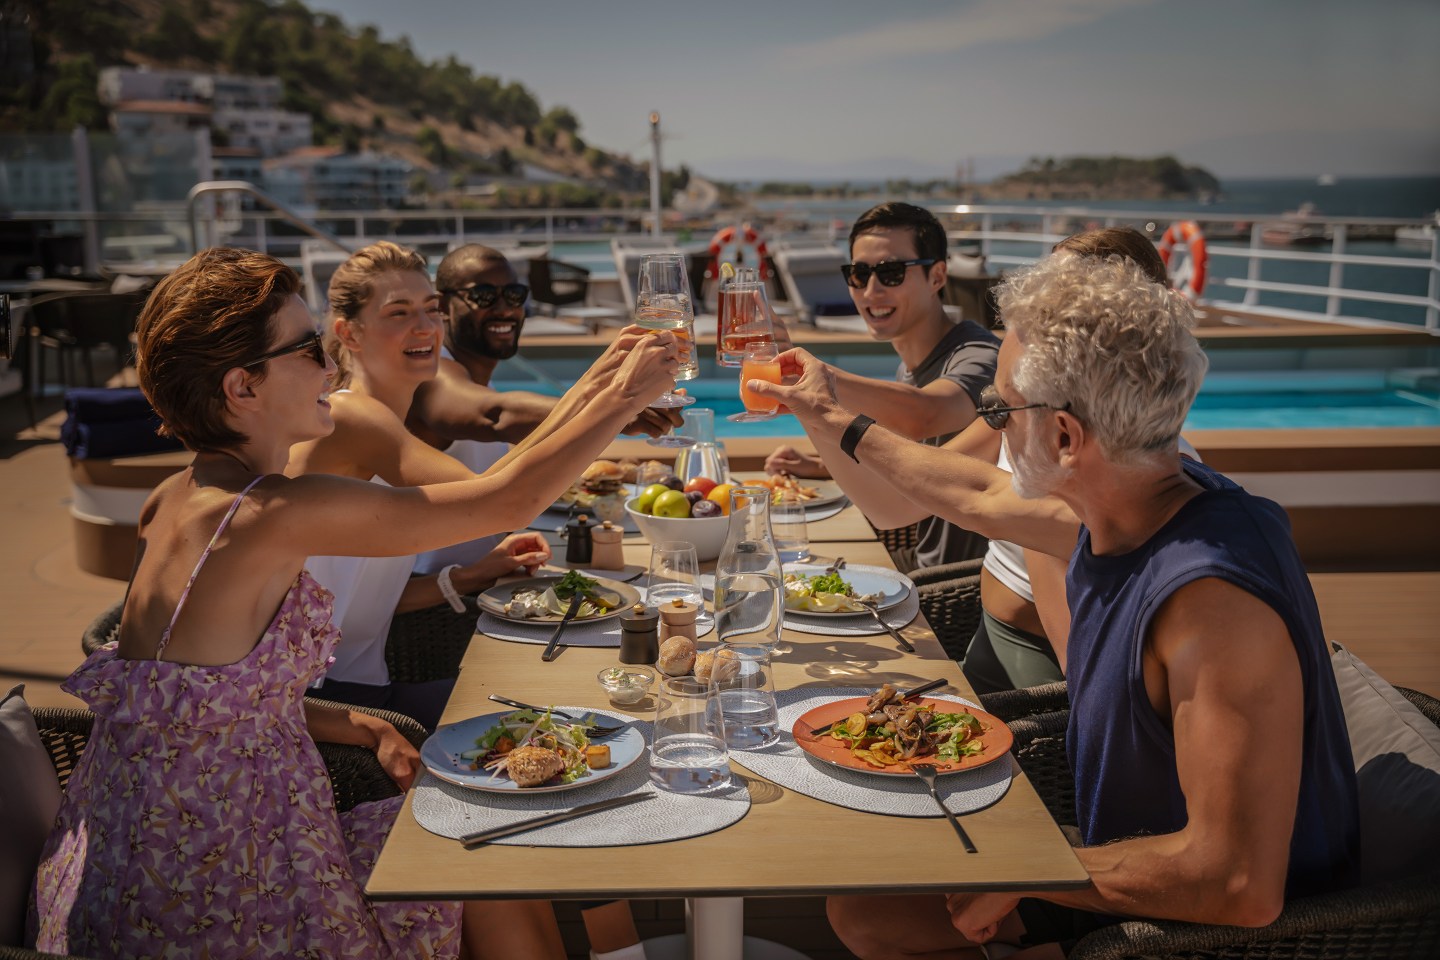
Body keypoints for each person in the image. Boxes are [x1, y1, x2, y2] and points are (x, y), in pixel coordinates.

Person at [30, 247, 678, 959]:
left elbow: (195, 699)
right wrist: (620, 396)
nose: (330, 366)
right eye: (308, 348)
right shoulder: (269, 513)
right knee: (486, 840)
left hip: (143, 841)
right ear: (244, 385)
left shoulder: (176, 500)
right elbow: (510, 499)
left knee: (486, 838)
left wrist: (360, 723)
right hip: (219, 872)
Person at [749, 253, 1360, 958]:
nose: (991, 431)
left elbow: (1237, 882)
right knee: (869, 906)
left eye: (999, 409)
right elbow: (973, 493)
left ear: (1066, 437)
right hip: (1127, 856)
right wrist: (833, 417)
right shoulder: (1130, 501)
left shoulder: (1209, 605)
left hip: (1208, 931)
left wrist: (1034, 874)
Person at [815, 226, 1177, 694]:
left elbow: (1086, 678)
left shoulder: (1102, 463)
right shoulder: (1017, 408)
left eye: (1058, 299)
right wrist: (816, 413)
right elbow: (897, 505)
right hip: (982, 633)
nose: (1032, 311)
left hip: (1036, 671)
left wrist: (826, 403)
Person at [287, 241, 554, 730]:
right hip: (324, 710)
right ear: (348, 333)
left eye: (431, 310)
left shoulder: (384, 423)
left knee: (544, 700)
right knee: (545, 716)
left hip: (368, 691)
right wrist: (617, 393)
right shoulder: (350, 419)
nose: (425, 328)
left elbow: (361, 604)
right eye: (400, 313)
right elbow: (507, 502)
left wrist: (471, 574)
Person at [406, 242, 683, 576]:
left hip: (489, 579)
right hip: (440, 599)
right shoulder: (429, 377)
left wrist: (606, 396)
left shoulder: (477, 379)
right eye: (483, 295)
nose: (504, 309)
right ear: (444, 306)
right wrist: (615, 408)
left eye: (514, 294)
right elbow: (496, 415)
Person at [764, 201, 1000, 568]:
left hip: (955, 585)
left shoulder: (979, 355)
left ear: (937, 277)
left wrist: (812, 373)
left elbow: (929, 414)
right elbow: (904, 457)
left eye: (891, 272)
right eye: (858, 273)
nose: (871, 291)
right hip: (922, 559)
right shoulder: (910, 367)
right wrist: (819, 466)